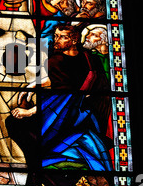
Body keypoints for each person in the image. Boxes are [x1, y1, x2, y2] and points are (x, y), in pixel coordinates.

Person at [8, 24, 113, 171]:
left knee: (19, 124)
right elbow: (62, 85)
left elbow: (65, 95)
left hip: (77, 113)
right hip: (63, 108)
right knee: (15, 122)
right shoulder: (56, 60)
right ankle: (34, 165)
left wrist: (30, 111)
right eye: (56, 36)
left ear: (75, 40)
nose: (56, 40)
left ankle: (37, 165)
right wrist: (33, 85)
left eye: (62, 37)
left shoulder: (89, 60)